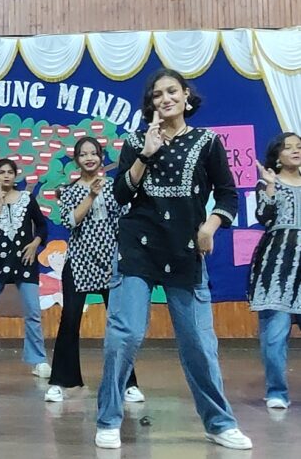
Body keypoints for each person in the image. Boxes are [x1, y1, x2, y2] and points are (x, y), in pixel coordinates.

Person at [95, 68, 251, 450]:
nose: (165, 99)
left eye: (171, 91)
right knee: (125, 334)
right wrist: (145, 155)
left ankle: (219, 423)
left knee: (198, 342)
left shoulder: (207, 141)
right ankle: (108, 420)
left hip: (185, 250)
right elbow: (120, 195)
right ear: (150, 104)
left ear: (186, 96)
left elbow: (228, 195)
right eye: (157, 94)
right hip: (137, 249)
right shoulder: (137, 141)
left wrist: (210, 226)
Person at [44, 138, 142, 403]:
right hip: (78, 262)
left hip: (111, 262)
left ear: (101, 157)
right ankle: (61, 382)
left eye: (93, 154)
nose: (89, 158)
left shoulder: (114, 187)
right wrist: (91, 195)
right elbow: (70, 221)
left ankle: (128, 383)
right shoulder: (68, 191)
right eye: (83, 154)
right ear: (76, 160)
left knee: (119, 324)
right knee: (70, 321)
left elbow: (125, 219)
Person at [0, 158, 51, 379]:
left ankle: (38, 360)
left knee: (33, 313)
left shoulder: (27, 199)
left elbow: (42, 226)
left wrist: (35, 244)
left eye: (10, 172)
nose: (6, 176)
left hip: (24, 262)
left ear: (16, 176)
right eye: (1, 172)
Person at [248, 132, 301, 410]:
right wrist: (269, 187)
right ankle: (277, 391)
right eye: (288, 147)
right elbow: (263, 217)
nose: (295, 151)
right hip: (277, 267)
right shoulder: (268, 182)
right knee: (275, 335)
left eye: (299, 147)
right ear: (277, 155)